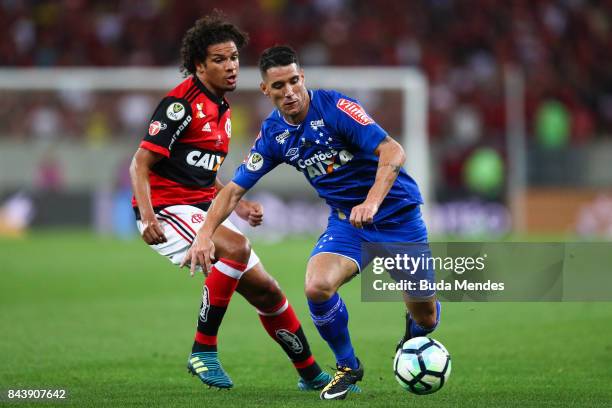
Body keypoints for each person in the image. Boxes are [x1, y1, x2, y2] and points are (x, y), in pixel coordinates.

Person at [182, 45, 441, 400]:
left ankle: (413, 335)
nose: (288, 92)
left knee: (426, 317)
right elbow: (232, 191)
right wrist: (204, 234)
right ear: (265, 90)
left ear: (302, 78)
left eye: (293, 81)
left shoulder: (336, 108)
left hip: (398, 217)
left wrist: (371, 201)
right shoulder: (274, 135)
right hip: (347, 225)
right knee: (317, 286)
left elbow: (393, 151)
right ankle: (348, 366)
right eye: (278, 86)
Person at [130, 18, 330, 391]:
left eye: (235, 57)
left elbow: (201, 173)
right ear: (199, 65)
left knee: (267, 290)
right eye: (220, 59)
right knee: (237, 248)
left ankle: (311, 373)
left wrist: (236, 205)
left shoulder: (220, 108)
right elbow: (140, 162)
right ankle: (202, 350)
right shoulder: (181, 105)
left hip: (198, 207)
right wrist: (146, 215)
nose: (231, 65)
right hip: (166, 210)